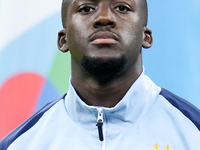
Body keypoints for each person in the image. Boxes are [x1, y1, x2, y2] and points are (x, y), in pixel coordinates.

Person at [1, 0, 200, 149]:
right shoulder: (20, 144)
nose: (104, 17)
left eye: (122, 7)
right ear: (63, 40)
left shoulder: (193, 133)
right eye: (86, 8)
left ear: (145, 36)